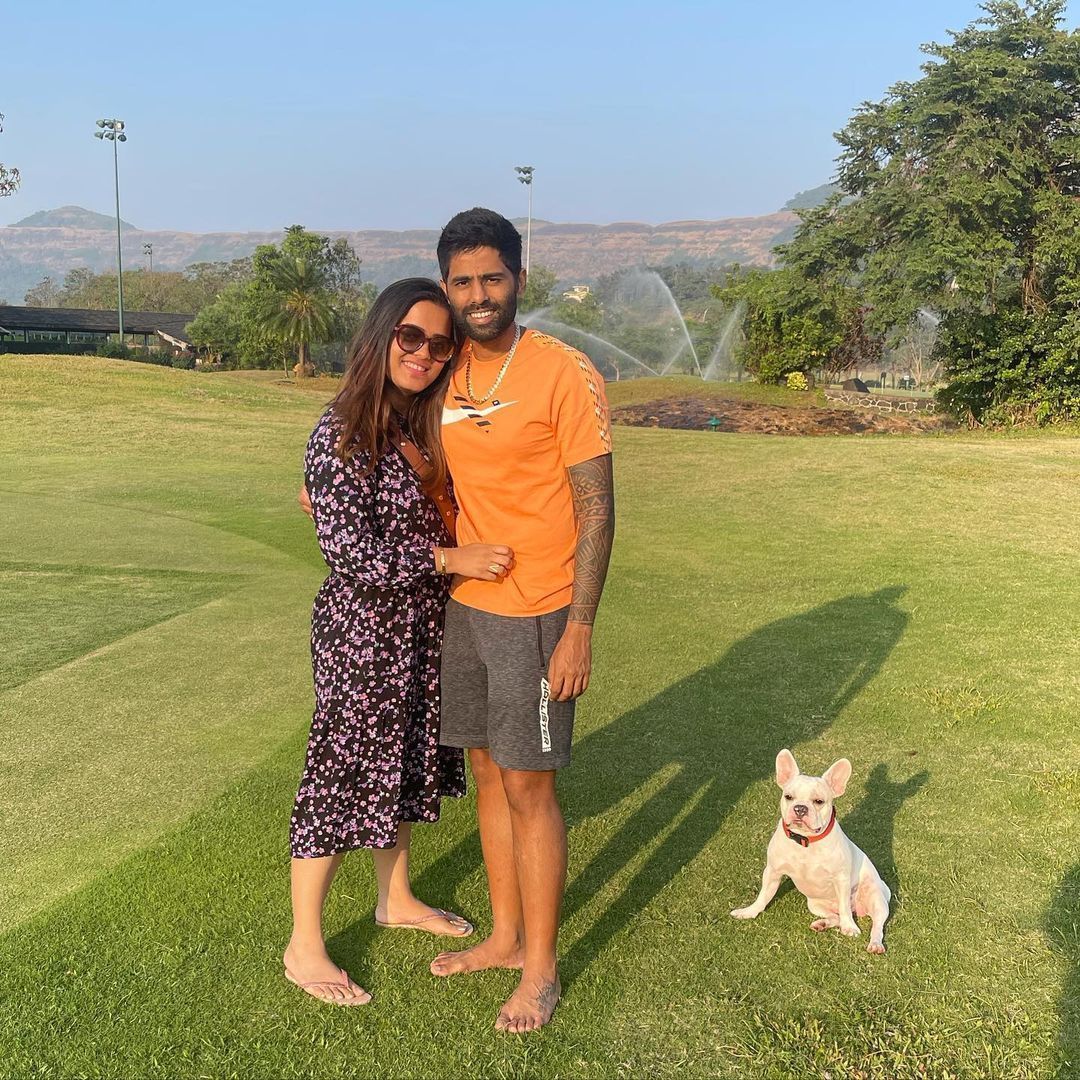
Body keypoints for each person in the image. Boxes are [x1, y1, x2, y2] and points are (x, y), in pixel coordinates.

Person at [285, 277, 515, 1006]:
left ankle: (396, 898)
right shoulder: (341, 431)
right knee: (340, 775)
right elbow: (352, 556)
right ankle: (304, 944)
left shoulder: (421, 425)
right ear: (381, 335)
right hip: (362, 636)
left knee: (399, 767)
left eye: (438, 344)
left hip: (420, 631)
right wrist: (449, 560)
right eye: (409, 336)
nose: (423, 353)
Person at [429, 208, 615, 1034]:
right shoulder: (441, 367)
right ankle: (505, 937)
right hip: (465, 608)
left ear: (518, 280)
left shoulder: (561, 371)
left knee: (532, 786)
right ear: (447, 287)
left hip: (540, 611)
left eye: (492, 278)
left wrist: (580, 627)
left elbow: (600, 512)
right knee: (489, 775)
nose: (478, 295)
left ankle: (540, 969)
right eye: (464, 281)